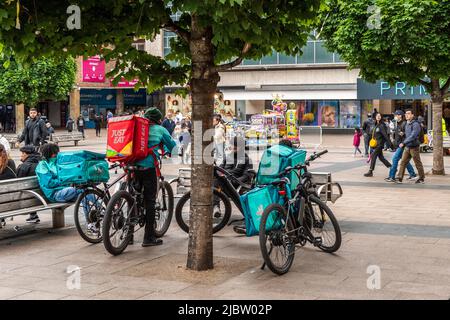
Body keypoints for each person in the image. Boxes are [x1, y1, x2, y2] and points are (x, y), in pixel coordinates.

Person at [135, 107, 176, 247]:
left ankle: (128, 236)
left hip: (131, 166)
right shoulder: (160, 129)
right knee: (150, 202)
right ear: (158, 119)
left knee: (132, 197)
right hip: (148, 167)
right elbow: (173, 146)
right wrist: (171, 152)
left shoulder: (137, 127)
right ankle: (148, 238)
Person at [385, 110, 416, 183]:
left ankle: (392, 176)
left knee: (395, 159)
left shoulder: (404, 123)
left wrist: (403, 138)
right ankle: (412, 174)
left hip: (402, 145)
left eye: (396, 115)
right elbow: (393, 133)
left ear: (400, 116)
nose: (394, 116)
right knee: (405, 160)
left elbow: (407, 135)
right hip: (398, 145)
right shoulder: (396, 123)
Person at [397, 109, 426, 184]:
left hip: (414, 147)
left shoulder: (416, 124)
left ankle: (421, 178)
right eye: (406, 114)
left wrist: (404, 142)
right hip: (407, 147)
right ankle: (400, 177)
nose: (407, 115)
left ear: (412, 115)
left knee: (417, 163)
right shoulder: (407, 123)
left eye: (409, 113)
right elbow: (407, 135)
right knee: (403, 162)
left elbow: (413, 136)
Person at [364, 112, 393, 177]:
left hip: (379, 144)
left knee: (373, 155)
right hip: (375, 144)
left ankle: (370, 171)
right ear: (375, 117)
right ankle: (392, 168)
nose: (378, 117)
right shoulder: (375, 125)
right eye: (377, 116)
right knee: (381, 158)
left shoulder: (381, 125)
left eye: (380, 116)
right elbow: (372, 134)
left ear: (381, 117)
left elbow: (385, 135)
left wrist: (390, 144)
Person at [17, 146, 41, 223]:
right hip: (42, 196)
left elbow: (18, 183)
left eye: (22, 153)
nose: (21, 155)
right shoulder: (41, 164)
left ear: (26, 154)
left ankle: (33, 215)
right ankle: (33, 215)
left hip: (28, 197)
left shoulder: (23, 166)